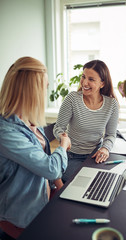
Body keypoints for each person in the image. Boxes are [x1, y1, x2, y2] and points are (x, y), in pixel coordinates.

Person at [0, 56, 71, 239]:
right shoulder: (6, 132)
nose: (45, 93)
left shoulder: (28, 119)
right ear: (31, 91)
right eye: (44, 88)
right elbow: (51, 167)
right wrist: (63, 146)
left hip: (42, 205)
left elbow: (44, 164)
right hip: (20, 218)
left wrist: (62, 192)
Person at [53, 59, 119, 182]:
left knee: (107, 181)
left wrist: (105, 148)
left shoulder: (112, 104)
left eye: (91, 79)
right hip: (72, 156)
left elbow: (110, 135)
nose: (84, 82)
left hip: (95, 155)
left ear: (102, 84)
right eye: (83, 77)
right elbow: (58, 128)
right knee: (80, 183)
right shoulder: (72, 99)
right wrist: (63, 139)